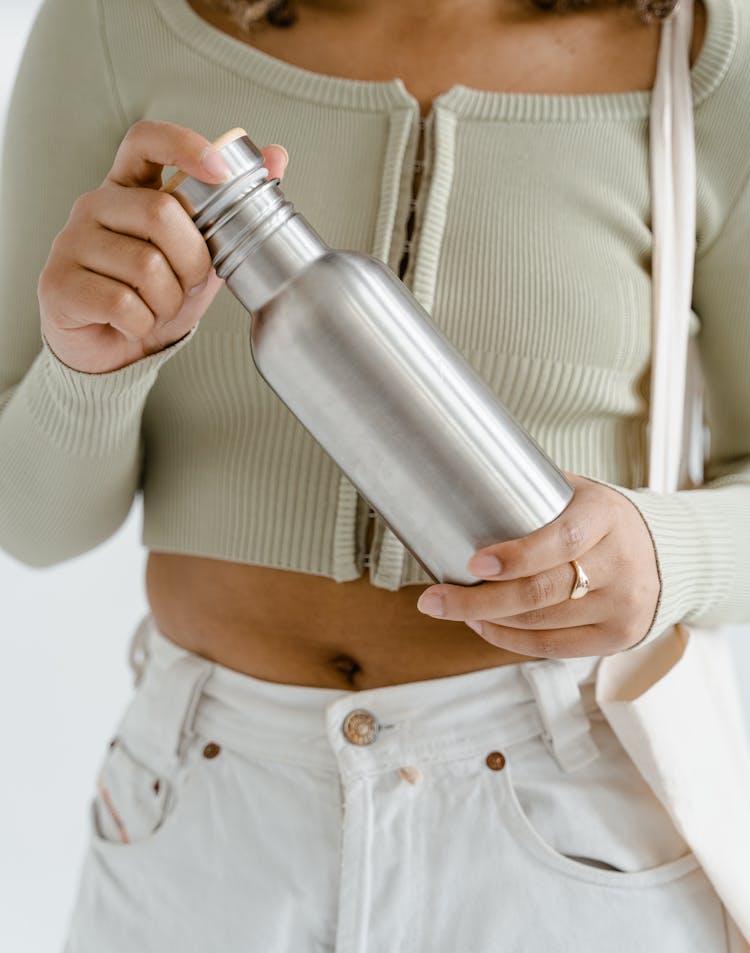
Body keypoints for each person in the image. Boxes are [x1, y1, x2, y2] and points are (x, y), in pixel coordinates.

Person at [1, 0, 749, 948]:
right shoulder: (118, 22)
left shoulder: (700, 54)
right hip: (205, 819)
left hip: (569, 831)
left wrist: (664, 557)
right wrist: (91, 367)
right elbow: (32, 523)